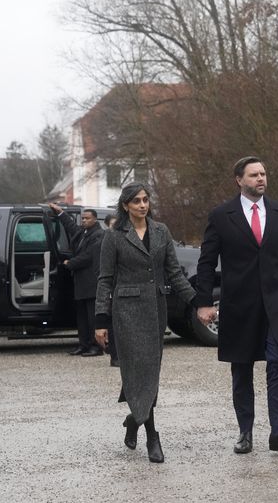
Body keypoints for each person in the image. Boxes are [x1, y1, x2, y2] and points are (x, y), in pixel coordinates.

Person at [195, 156, 278, 455]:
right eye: (254, 174)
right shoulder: (222, 215)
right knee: (241, 369)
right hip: (238, 306)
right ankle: (245, 432)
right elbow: (206, 262)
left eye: (264, 173)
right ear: (239, 179)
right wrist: (204, 302)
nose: (261, 178)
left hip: (274, 304)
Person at [94, 183, 195, 463]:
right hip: (126, 313)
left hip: (156, 310)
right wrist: (101, 320)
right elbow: (104, 279)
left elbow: (174, 272)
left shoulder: (161, 231)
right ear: (125, 205)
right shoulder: (114, 237)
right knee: (138, 371)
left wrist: (195, 302)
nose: (142, 205)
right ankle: (152, 435)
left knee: (149, 372)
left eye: (145, 200)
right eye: (136, 201)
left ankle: (133, 419)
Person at [48, 203, 105, 357]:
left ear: (95, 220)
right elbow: (71, 227)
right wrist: (61, 213)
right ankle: (83, 344)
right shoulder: (83, 232)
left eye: (87, 218)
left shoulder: (99, 235)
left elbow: (88, 256)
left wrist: (70, 263)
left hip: (91, 283)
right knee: (82, 317)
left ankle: (96, 347)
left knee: (92, 318)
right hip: (81, 283)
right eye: (83, 218)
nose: (83, 221)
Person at [102, 214, 120, 367]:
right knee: (112, 324)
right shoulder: (107, 239)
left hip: (119, 287)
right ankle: (114, 355)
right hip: (110, 287)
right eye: (112, 224)